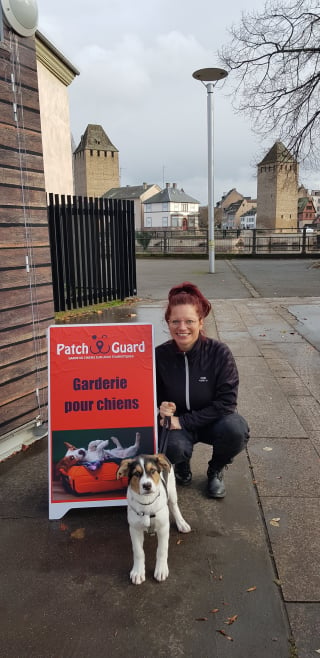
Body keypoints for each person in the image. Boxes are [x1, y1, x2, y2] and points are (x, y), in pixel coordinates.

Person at [155, 282, 249, 499]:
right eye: (175, 321)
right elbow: (152, 394)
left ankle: (215, 469)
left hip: (211, 421)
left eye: (189, 321)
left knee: (236, 430)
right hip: (177, 424)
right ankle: (181, 464)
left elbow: (227, 403)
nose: (182, 327)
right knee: (171, 448)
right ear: (168, 323)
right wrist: (161, 407)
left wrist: (185, 421)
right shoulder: (159, 355)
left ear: (200, 321)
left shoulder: (219, 353)